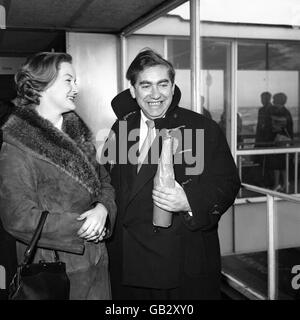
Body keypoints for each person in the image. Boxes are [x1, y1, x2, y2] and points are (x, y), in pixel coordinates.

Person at [103, 49, 240, 300]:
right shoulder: (120, 128)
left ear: (173, 86)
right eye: (145, 85)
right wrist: (100, 208)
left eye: (162, 84)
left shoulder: (200, 128)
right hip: (127, 261)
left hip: (181, 263)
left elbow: (228, 183)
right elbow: (105, 179)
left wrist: (189, 201)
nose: (155, 94)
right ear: (133, 91)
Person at [0, 52, 116, 300]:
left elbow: (104, 182)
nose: (76, 87)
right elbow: (17, 217)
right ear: (42, 86)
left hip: (97, 264)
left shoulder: (79, 133)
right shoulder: (17, 145)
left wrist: (103, 211)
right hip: (54, 272)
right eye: (68, 80)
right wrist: (83, 227)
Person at [266, 92, 293, 191]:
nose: (272, 101)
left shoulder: (282, 112)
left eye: (274, 100)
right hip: (284, 141)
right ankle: (285, 183)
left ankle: (278, 184)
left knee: (277, 163)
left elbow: (277, 126)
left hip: (280, 141)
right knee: (282, 163)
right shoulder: (285, 112)